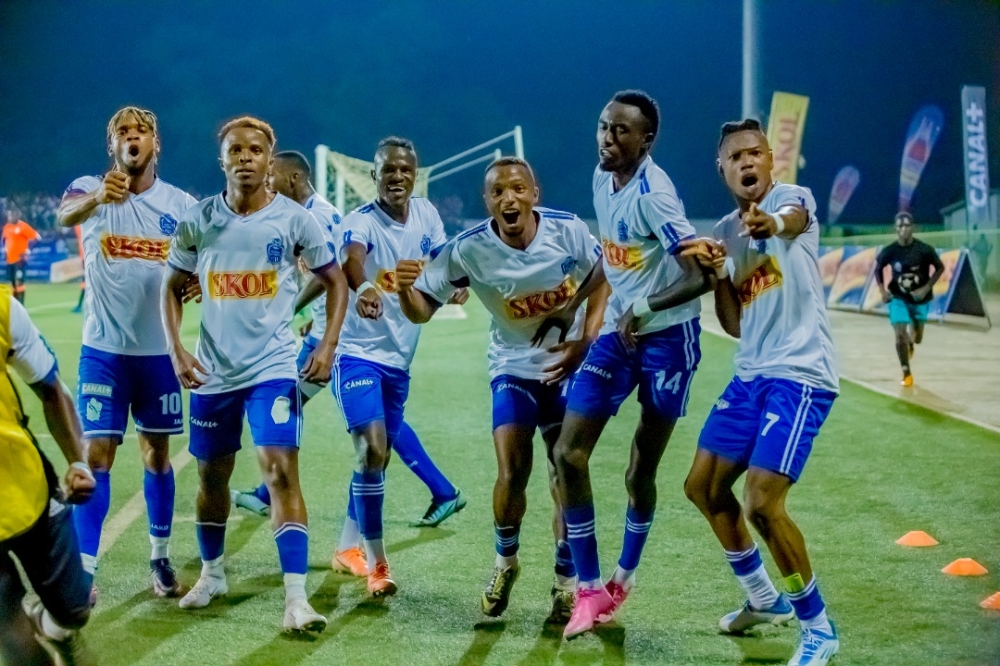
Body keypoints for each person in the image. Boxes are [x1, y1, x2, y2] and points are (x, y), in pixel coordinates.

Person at [396, 157, 609, 622]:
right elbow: (421, 310)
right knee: (512, 471)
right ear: (487, 201)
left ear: (535, 194)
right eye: (497, 192)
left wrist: (585, 340)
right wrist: (403, 289)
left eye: (517, 189)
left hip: (566, 365)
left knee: (564, 471)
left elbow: (604, 276)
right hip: (512, 366)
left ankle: (565, 582)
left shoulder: (568, 229)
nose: (508, 198)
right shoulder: (468, 249)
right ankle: (505, 563)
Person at [231, 152, 464, 570]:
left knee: (305, 407)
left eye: (273, 176)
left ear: (294, 177)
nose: (268, 183)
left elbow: (333, 274)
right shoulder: (337, 216)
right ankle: (280, 496)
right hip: (349, 343)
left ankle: (273, 491)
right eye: (389, 170)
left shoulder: (319, 216)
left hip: (339, 339)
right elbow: (348, 265)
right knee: (362, 435)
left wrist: (304, 316)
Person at [161, 115, 348, 633]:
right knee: (211, 475)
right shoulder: (199, 220)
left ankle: (296, 600)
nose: (245, 157)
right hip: (214, 372)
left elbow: (336, 281)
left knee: (280, 470)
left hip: (273, 367)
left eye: (255, 150)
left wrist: (328, 345)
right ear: (222, 160)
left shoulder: (295, 220)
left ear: (269, 159)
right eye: (236, 150)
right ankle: (213, 574)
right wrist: (177, 350)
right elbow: (170, 286)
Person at [538, 90, 709, 638]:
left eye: (620, 131)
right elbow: (612, 257)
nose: (607, 139)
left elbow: (699, 276)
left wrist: (644, 307)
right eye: (603, 127)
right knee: (568, 453)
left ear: (646, 140)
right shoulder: (601, 178)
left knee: (640, 471)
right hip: (619, 335)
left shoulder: (656, 197)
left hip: (669, 340)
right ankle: (589, 590)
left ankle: (623, 579)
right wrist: (572, 304)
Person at [681, 118, 840, 666]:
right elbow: (734, 324)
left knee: (762, 503)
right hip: (750, 374)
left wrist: (769, 222)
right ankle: (763, 598)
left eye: (755, 153)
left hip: (799, 374)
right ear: (722, 169)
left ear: (771, 159)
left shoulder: (793, 199)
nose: (747, 162)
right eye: (735, 157)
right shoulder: (725, 231)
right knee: (703, 487)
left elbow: (791, 221)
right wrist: (719, 275)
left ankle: (818, 628)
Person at [56, 106, 197, 599]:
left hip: (158, 354)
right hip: (103, 352)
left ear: (156, 144)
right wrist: (99, 195)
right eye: (122, 132)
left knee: (156, 454)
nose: (132, 137)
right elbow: (64, 215)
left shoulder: (181, 205)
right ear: (112, 146)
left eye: (141, 131)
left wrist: (199, 280)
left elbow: (203, 258)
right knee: (97, 455)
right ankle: (84, 572)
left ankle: (159, 558)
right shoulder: (88, 189)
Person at [321, 136, 467, 598]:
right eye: (389, 170)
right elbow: (352, 260)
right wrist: (365, 289)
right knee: (372, 449)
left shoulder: (426, 215)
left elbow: (442, 263)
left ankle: (346, 547)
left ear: (415, 175)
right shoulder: (360, 221)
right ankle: (378, 565)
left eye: (405, 169)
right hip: (357, 355)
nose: (398, 176)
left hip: (399, 360)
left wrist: (454, 286)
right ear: (374, 176)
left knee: (376, 458)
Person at [0, 283, 97, 666]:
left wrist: (78, 463)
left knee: (75, 611)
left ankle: (51, 622)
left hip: (28, 489)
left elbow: (50, 387)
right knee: (18, 646)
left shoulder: (4, 310)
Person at [874, 212, 944, 386]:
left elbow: (940, 268)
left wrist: (925, 288)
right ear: (895, 228)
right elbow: (878, 269)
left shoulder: (924, 249)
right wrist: (882, 291)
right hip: (898, 297)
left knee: (918, 337)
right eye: (900, 226)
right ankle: (906, 373)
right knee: (899, 333)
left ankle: (911, 343)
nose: (904, 229)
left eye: (907, 225)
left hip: (920, 300)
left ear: (913, 227)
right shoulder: (890, 251)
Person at [2, 210, 40, 304]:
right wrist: (5, 249)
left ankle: (21, 305)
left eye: (12, 216)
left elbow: (37, 238)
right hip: (10, 260)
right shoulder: (7, 227)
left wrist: (28, 250)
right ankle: (16, 305)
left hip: (20, 260)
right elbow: (4, 239)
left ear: (17, 216)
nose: (10, 218)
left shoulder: (23, 226)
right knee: (13, 283)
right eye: (9, 216)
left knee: (19, 282)